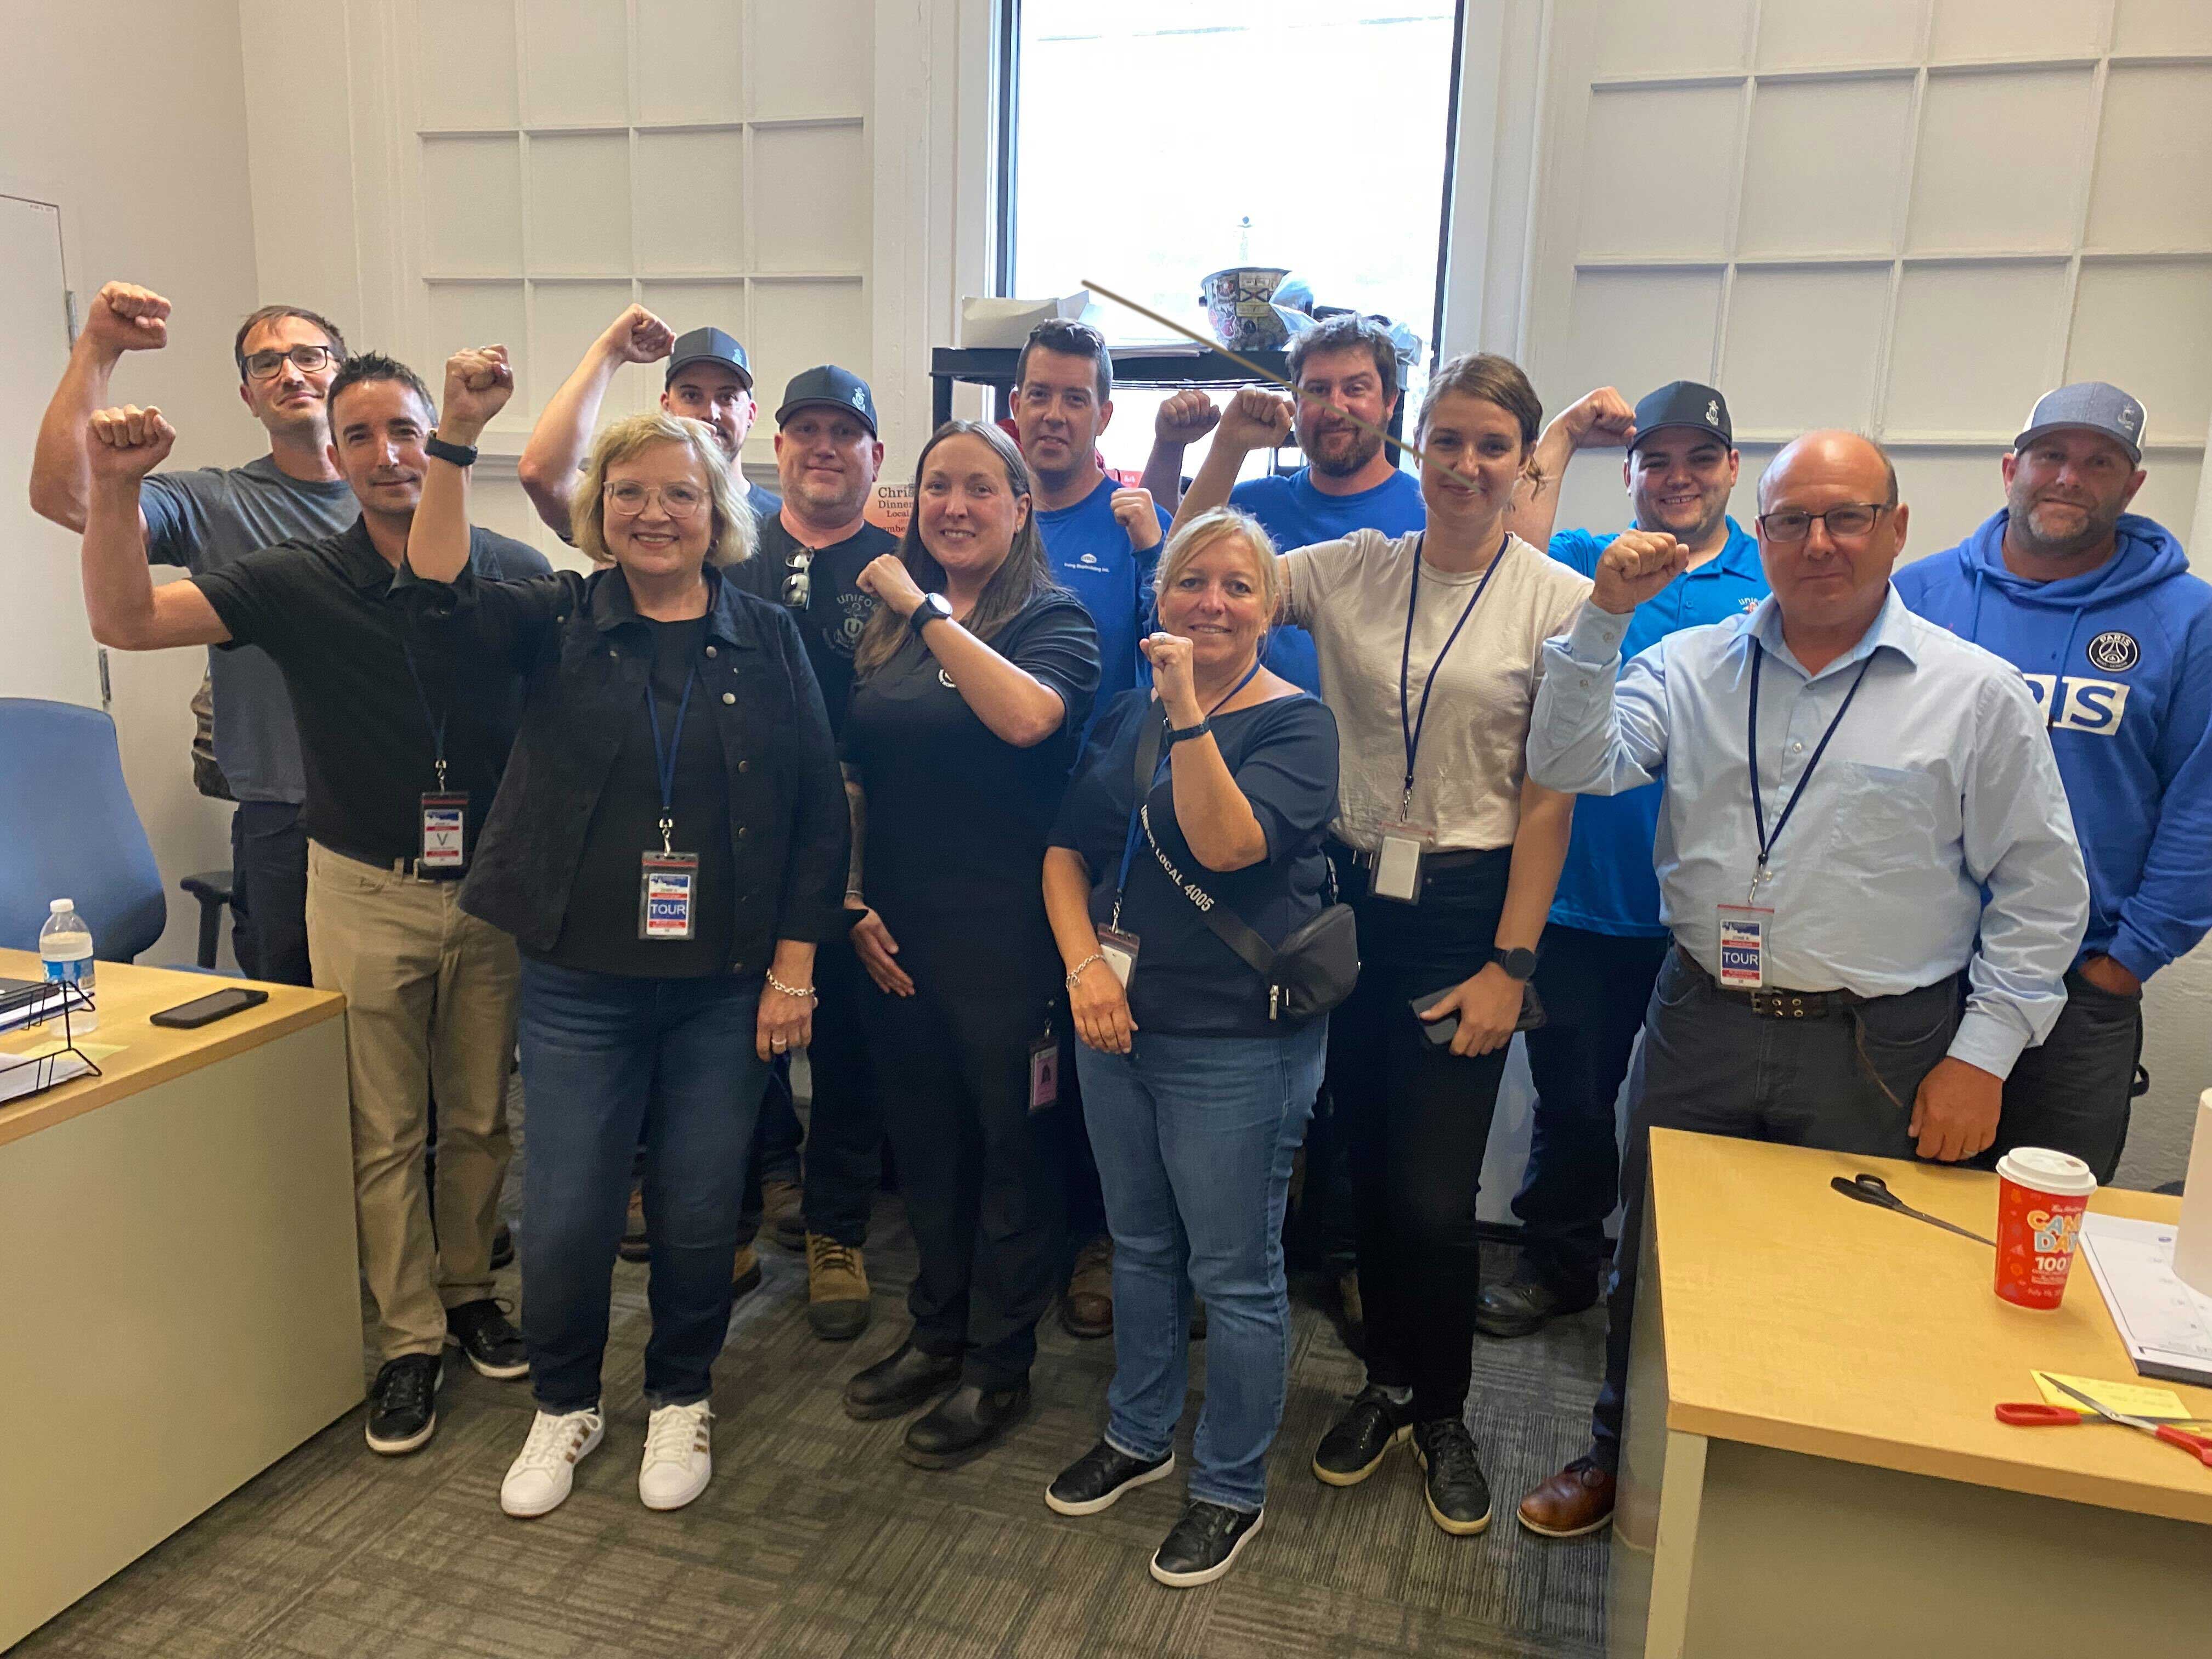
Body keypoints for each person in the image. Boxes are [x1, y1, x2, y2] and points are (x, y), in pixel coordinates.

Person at [1516, 431, 2089, 1540]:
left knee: (1861, 1273)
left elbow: (2042, 889)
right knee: (1655, 1259)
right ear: (1761, 534)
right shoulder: (1688, 664)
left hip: (1884, 1040)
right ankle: (1620, 1457)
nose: (1819, 543)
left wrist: (1983, 1055)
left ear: (1898, 530)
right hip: (1700, 1019)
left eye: (1848, 518)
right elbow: (1570, 763)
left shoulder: (1975, 696)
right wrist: (1600, 619)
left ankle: (1818, 1507)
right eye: (1794, 521)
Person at [75, 348, 552, 1457]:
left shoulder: (517, 572)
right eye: (362, 437)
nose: (388, 456)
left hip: (490, 892)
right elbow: (127, 618)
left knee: (481, 1117)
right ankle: (408, 1339)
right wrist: (113, 491)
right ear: (332, 457)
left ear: (443, 443)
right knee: (383, 1127)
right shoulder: (293, 581)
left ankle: (472, 1285)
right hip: (360, 887)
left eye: (407, 432)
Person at [397, 398, 847, 1516]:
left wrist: (795, 968)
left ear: (718, 514)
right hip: (578, 983)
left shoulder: (768, 636)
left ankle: (682, 1392)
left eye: (681, 494)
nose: (656, 514)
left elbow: (814, 816)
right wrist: (455, 436)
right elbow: (436, 589)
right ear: (599, 511)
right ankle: (565, 1404)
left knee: (699, 1208)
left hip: (725, 985)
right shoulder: (555, 620)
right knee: (565, 1213)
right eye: (631, 493)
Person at [1289, 354, 1586, 1539]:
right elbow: (1197, 583)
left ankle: (1446, 1409)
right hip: (1352, 896)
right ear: (1418, 453)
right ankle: (1389, 1386)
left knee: (1433, 1193)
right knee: (1362, 1169)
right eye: (1449, 442)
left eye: (1494, 448)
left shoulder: (1557, 603)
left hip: (1470, 911)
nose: (1467, 467)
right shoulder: (1352, 569)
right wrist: (1215, 453)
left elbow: (1552, 795)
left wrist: (1512, 968)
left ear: (1525, 466)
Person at [1041, 508, 1338, 1587]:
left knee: (1238, 1271)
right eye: (1189, 582)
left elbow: (1228, 843)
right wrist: (1082, 972)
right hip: (1114, 1024)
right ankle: (1138, 1430)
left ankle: (1227, 1486)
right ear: (1159, 598)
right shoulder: (1127, 712)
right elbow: (1067, 855)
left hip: (1235, 1047)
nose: (1211, 603)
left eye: (1238, 587)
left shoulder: (1298, 727)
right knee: (1141, 1246)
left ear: (1270, 609)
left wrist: (1189, 715)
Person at [1476, 380, 1769, 1339]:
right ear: (1632, 472)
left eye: (1698, 459)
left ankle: (1676, 1286)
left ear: (1730, 469)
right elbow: (1506, 551)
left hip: (1717, 907)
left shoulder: (1769, 584)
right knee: (1573, 1098)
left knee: (1703, 1115)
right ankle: (1559, 1261)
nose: (1676, 477)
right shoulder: (1579, 565)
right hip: (1581, 899)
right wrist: (1560, 431)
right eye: (1656, 459)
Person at [838, 421, 1102, 1469]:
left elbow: (1028, 719)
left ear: (1021, 505)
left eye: (979, 488)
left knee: (1011, 1151)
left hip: (1011, 936)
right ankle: (935, 1328)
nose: (954, 504)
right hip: (897, 933)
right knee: (930, 1147)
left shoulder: (1054, 620)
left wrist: (920, 604)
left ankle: (999, 1361)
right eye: (935, 486)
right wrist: (853, 902)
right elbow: (857, 772)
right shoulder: (885, 635)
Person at [1895, 382, 2212, 1183]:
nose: (2070, 477)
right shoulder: (1918, 597)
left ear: (2133, 484)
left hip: (2083, 988)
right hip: (1919, 978)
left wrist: (2128, 960)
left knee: (2040, 1231)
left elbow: (2202, 806)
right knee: (1895, 1209)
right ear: (2012, 468)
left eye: (2099, 461)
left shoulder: (2189, 619)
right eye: (2051, 456)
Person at [30, 285, 358, 984]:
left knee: (422, 1046)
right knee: (295, 1037)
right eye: (266, 365)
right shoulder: (215, 500)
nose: (290, 374)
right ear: (249, 397)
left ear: (345, 374)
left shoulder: (405, 496)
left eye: (309, 355)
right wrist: (98, 346)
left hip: (412, 811)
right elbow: (68, 495)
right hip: (284, 816)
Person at [726, 364, 900, 1341]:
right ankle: (739, 1216)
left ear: (874, 455)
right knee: (735, 1029)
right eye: (807, 430)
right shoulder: (725, 549)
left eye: (846, 431)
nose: (825, 446)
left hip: (868, 836)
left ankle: (835, 1228)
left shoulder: (903, 562)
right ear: (778, 447)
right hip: (742, 828)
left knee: (851, 1038)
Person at [1164, 314, 1426, 692]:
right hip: (1247, 740)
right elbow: (1170, 587)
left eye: (1356, 389)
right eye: (1317, 391)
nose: (1335, 408)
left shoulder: (1428, 517)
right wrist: (1229, 445)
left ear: (1390, 402)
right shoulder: (1250, 509)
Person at [517, 306, 780, 540]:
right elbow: (542, 476)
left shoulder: (784, 522)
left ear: (751, 414)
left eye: (727, 397)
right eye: (692, 396)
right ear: (666, 407)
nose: (710, 413)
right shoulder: (628, 507)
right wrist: (609, 353)